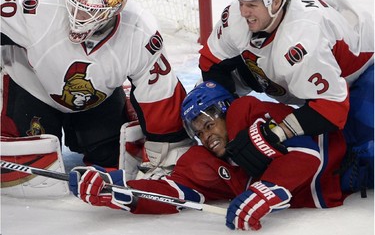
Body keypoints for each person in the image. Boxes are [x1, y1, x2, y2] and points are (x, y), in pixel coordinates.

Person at [68, 81, 367, 231]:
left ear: (226, 111)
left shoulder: (249, 112)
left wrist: (267, 191)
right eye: (198, 130)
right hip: (342, 184)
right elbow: (173, 193)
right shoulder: (202, 159)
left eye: (209, 124)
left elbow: (306, 153)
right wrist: (118, 191)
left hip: (351, 150)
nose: (206, 135)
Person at [198, 0, 374, 192]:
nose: (244, 11)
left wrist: (273, 134)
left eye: (252, 4)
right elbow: (211, 62)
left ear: (276, 1)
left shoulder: (303, 38)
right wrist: (226, 124)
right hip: (304, 75)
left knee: (354, 157)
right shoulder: (238, 18)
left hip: (362, 72)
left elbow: (332, 109)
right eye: (241, 2)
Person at [0, 0, 193, 175]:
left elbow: (160, 96)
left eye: (87, 11)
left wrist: (166, 154)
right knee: (27, 169)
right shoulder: (40, 2)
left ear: (112, 12)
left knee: (114, 159)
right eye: (74, 5)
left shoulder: (140, 31)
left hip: (96, 97)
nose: (75, 15)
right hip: (31, 86)